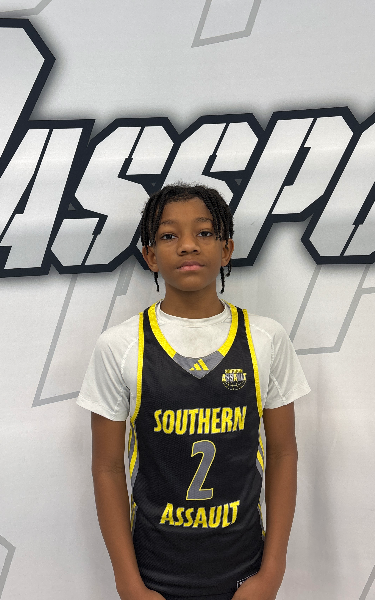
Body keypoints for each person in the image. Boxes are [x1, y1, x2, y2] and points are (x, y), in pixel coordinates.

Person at [77, 183, 310, 600]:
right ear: (150, 256)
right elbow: (107, 467)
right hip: (153, 572)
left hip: (244, 568)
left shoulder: (266, 338)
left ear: (226, 249)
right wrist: (128, 583)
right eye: (169, 235)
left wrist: (272, 572)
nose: (188, 245)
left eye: (204, 232)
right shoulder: (120, 345)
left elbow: (282, 453)